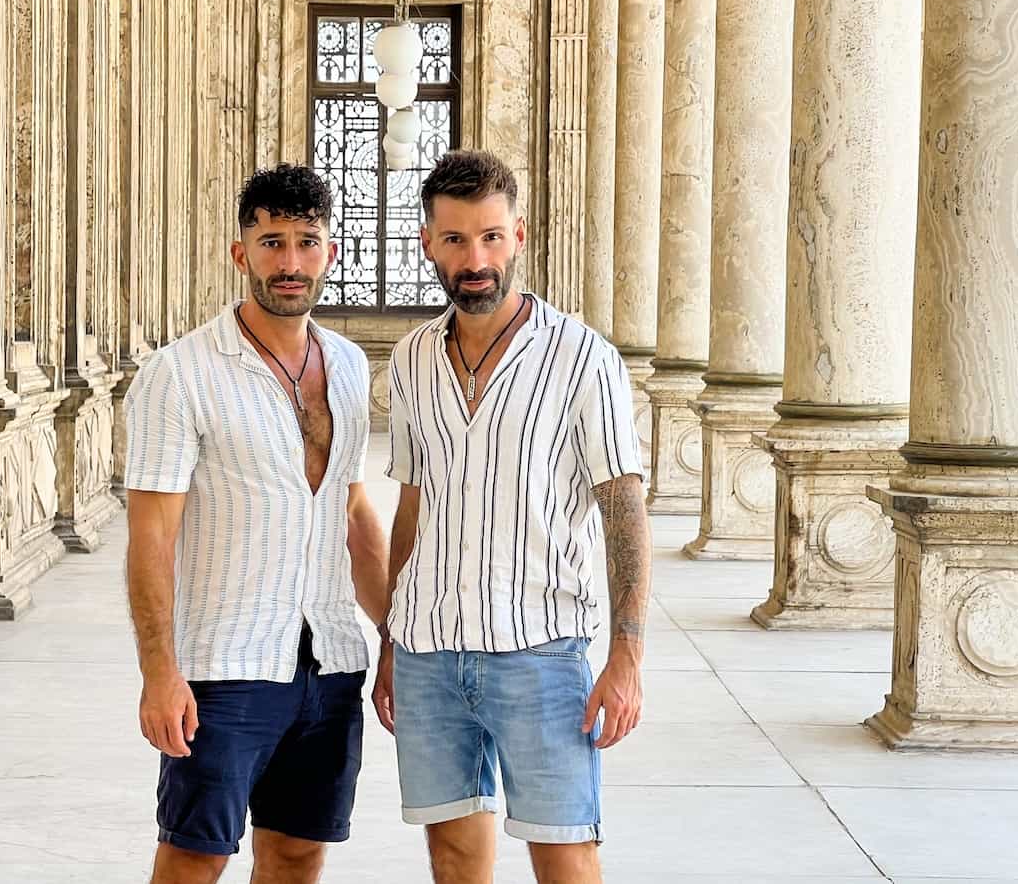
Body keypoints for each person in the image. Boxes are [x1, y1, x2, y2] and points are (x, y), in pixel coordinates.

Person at [373, 150, 652, 884]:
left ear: (519, 236)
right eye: (458, 239)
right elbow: (412, 503)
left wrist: (627, 654)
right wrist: (391, 642)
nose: (476, 259)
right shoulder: (409, 360)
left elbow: (622, 505)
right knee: (455, 859)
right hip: (429, 652)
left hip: (539, 651)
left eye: (492, 237)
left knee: (566, 855)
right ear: (427, 243)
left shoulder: (581, 356)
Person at [123, 163, 390, 884]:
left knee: (299, 851)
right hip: (225, 665)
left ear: (330, 252)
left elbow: (354, 510)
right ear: (241, 254)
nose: (291, 262)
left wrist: (392, 635)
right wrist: (158, 671)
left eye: (307, 242)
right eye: (272, 242)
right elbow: (152, 536)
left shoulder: (349, 366)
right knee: (195, 854)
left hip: (331, 658)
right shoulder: (180, 374)